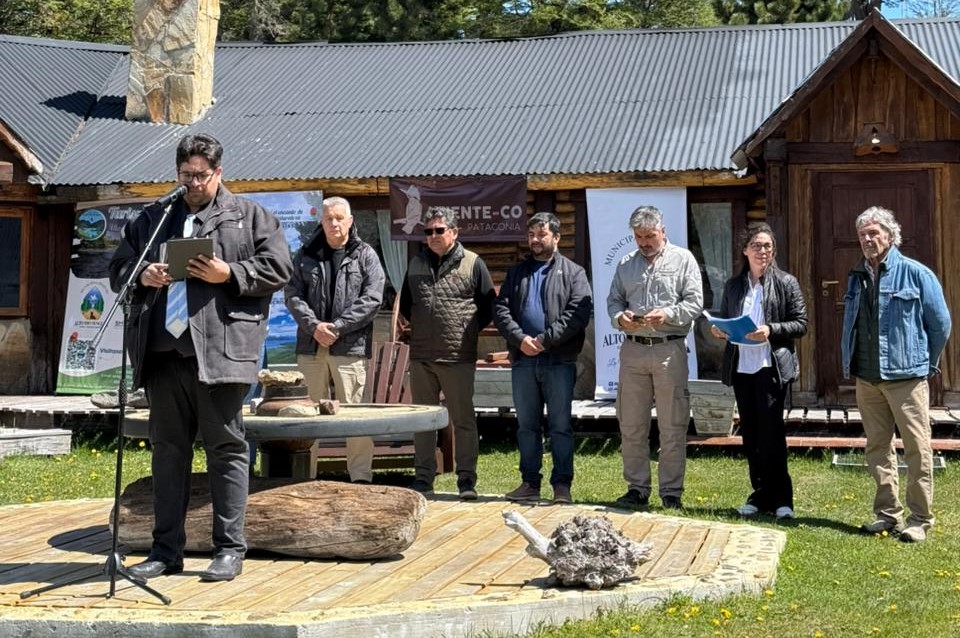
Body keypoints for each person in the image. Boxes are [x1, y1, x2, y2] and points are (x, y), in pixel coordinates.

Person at [108, 133, 293, 582]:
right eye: (185, 175)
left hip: (221, 354)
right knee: (167, 453)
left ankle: (228, 549)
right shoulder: (154, 218)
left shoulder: (249, 217)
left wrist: (229, 272)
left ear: (219, 173)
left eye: (201, 175)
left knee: (226, 450)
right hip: (162, 354)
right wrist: (143, 275)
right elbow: (118, 271)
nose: (192, 183)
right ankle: (165, 550)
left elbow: (280, 268)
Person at [841, 206, 951, 543]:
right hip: (867, 378)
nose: (867, 239)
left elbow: (941, 324)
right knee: (877, 448)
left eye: (874, 233)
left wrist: (924, 364)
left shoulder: (917, 274)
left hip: (907, 378)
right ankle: (887, 514)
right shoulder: (856, 276)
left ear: (890, 236)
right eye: (862, 234)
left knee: (917, 448)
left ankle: (920, 519)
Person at [606, 205, 703, 510]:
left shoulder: (683, 259)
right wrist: (620, 318)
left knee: (672, 424)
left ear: (663, 231)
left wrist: (669, 313)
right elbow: (613, 302)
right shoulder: (625, 264)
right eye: (638, 236)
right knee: (631, 423)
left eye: (650, 236)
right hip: (633, 350)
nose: (644, 242)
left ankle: (671, 492)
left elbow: (695, 303)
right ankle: (636, 488)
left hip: (668, 350)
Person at [494, 212, 593, 505]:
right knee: (527, 425)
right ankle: (529, 483)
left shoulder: (574, 272)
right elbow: (501, 310)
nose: (535, 240)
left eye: (542, 234)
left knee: (560, 425)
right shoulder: (517, 272)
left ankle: (562, 485)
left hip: (558, 361)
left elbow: (578, 313)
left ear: (557, 237)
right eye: (532, 235)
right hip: (523, 361)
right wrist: (520, 339)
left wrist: (544, 339)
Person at [284, 196, 385, 484]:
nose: (334, 223)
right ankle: (305, 478)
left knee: (354, 414)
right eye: (329, 218)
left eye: (340, 218)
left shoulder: (365, 255)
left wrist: (338, 327)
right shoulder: (305, 254)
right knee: (307, 415)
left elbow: (373, 300)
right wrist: (315, 327)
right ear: (322, 221)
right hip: (311, 346)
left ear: (351, 221)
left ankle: (361, 478)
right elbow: (292, 295)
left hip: (349, 347)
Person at [711, 223, 807, 520]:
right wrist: (720, 329)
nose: (763, 251)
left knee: (771, 434)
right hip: (742, 368)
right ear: (745, 250)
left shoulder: (787, 282)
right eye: (757, 246)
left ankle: (782, 499)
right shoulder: (733, 286)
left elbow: (801, 324)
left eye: (767, 246)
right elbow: (729, 320)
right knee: (750, 435)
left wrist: (771, 329)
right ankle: (760, 494)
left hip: (770, 367)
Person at [399, 206, 495, 499]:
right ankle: (424, 479)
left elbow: (488, 307)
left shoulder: (473, 263)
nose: (433, 236)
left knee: (463, 420)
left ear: (454, 232)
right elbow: (406, 304)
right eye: (428, 231)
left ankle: (466, 481)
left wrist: (464, 331)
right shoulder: (415, 263)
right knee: (423, 421)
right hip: (422, 356)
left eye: (439, 230)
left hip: (457, 357)